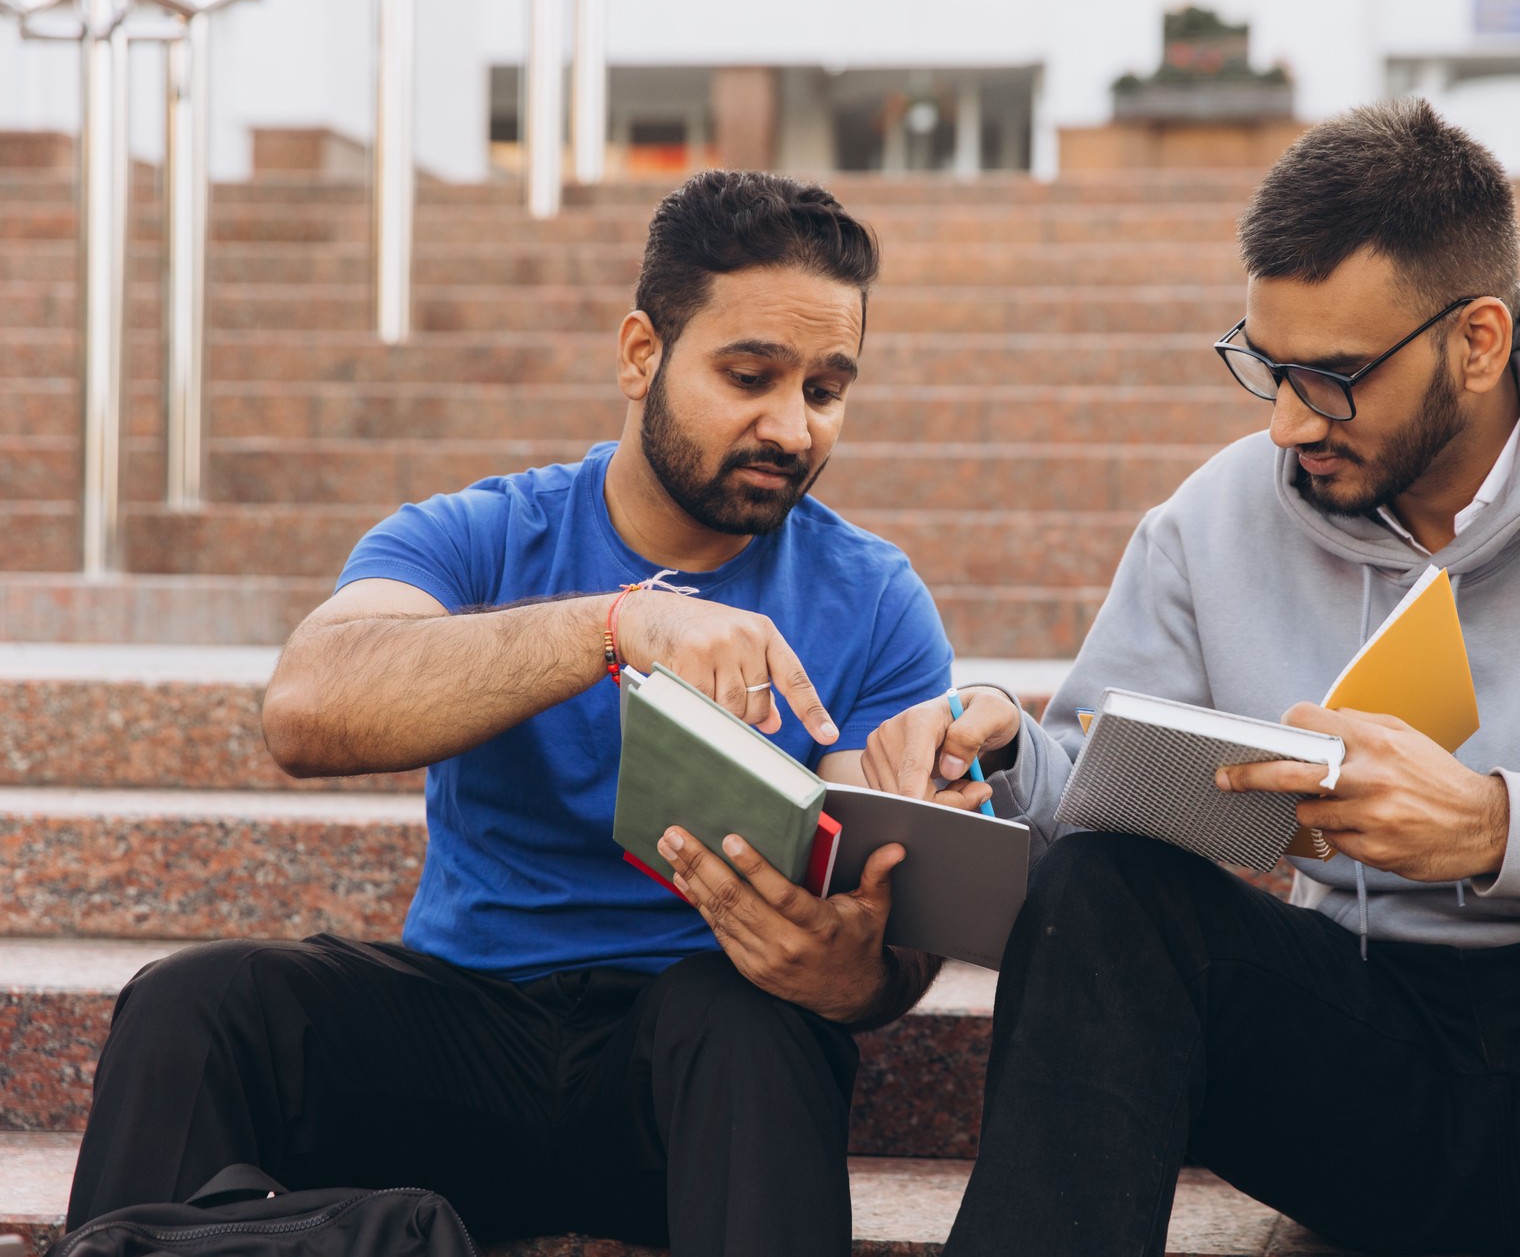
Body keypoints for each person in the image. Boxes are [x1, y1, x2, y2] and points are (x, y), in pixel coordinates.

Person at [862, 99, 1520, 1257]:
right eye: (1265, 367)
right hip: (1358, 1076)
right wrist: (1010, 751)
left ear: (1475, 341)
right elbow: (1097, 812)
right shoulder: (1211, 524)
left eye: (1330, 377)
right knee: (1107, 893)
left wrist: (1506, 826)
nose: (1284, 422)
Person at [66, 171, 955, 1257]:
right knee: (196, 1005)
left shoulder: (874, 597)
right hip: (459, 1038)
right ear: (642, 354)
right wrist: (615, 628)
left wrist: (855, 977)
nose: (789, 425)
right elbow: (306, 706)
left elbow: (901, 926)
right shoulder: (479, 535)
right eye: (750, 374)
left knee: (755, 1028)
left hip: (686, 1079)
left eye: (825, 389)